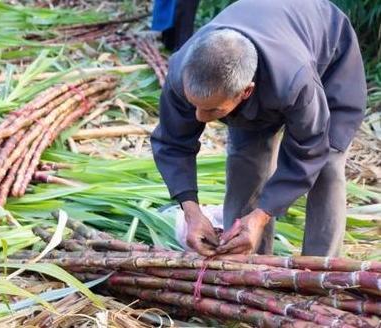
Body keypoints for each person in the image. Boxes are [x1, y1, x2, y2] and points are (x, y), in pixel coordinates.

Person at [151, 0, 366, 257]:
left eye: (213, 110)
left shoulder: (296, 83)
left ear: (246, 91)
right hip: (269, 51)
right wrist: (192, 212)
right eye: (194, 105)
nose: (200, 117)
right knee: (246, 164)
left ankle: (320, 271)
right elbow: (173, 143)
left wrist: (261, 216)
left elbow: (309, 151)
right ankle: (248, 262)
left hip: (328, 55)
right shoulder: (181, 71)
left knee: (326, 168)